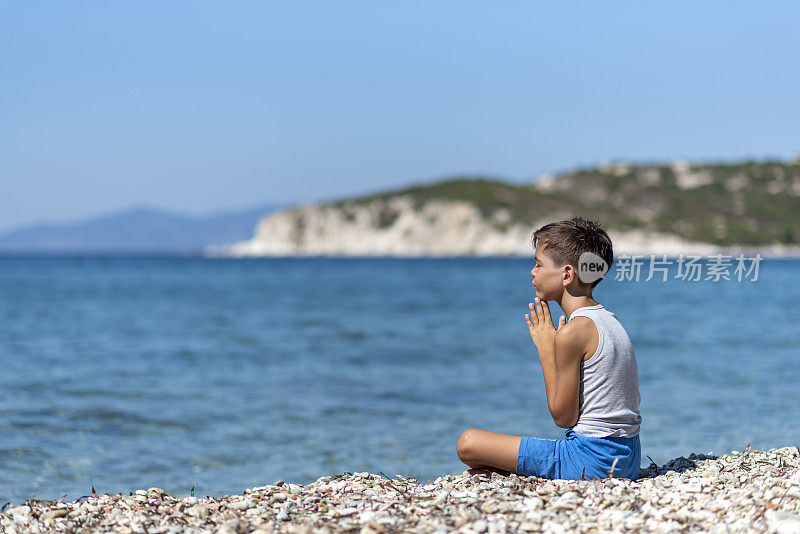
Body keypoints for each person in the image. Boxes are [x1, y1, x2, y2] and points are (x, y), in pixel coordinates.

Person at [456, 216, 642, 480]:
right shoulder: (610, 321)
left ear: (567, 274)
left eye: (538, 264)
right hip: (627, 458)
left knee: (468, 443)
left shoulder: (573, 332)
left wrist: (546, 348)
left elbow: (563, 417)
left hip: (591, 462)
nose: (533, 271)